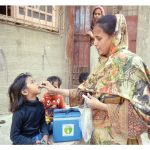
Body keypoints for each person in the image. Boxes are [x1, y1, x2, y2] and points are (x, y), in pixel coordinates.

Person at [41, 14, 150, 145]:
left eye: (99, 38)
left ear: (114, 36)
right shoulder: (102, 64)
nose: (95, 43)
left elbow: (144, 111)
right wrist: (55, 91)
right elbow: (85, 92)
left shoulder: (131, 63)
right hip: (96, 135)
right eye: (94, 39)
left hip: (119, 139)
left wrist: (102, 107)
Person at [9, 73, 49, 145]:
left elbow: (42, 123)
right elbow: (14, 136)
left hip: (37, 135)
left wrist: (45, 135)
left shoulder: (40, 105)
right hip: (25, 140)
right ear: (24, 91)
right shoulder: (19, 112)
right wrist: (33, 143)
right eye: (32, 82)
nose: (37, 83)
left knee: (52, 126)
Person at [87, 6, 105, 71]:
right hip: (92, 48)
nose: (97, 15)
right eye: (95, 14)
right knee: (92, 68)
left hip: (100, 49)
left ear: (102, 15)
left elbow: (104, 38)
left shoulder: (104, 25)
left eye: (99, 14)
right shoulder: (91, 25)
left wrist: (92, 36)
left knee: (97, 68)